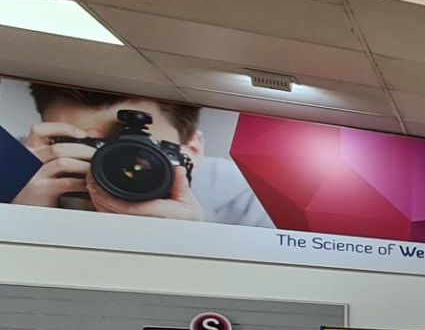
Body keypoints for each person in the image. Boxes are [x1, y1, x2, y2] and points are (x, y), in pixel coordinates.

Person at [9, 83, 270, 226]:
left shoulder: (243, 195)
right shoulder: (21, 171)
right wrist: (20, 221)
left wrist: (192, 241)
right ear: (51, 143)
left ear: (192, 150)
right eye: (90, 147)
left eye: (138, 152)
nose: (111, 166)